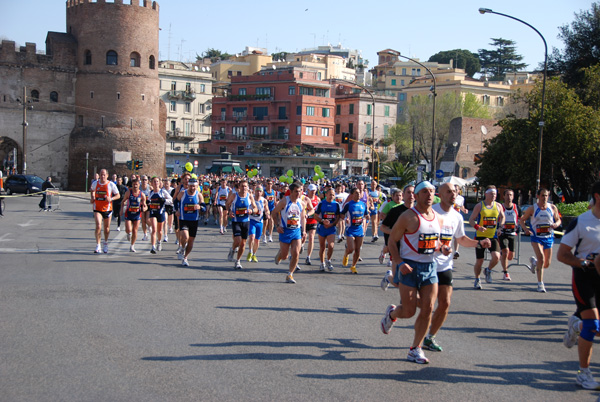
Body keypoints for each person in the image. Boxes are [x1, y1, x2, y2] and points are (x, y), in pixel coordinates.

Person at [380, 181, 448, 365]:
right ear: (416, 196)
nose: (429, 195)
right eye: (425, 191)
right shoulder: (407, 217)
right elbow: (393, 241)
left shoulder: (438, 218)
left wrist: (443, 248)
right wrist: (399, 262)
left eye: (432, 191)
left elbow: (435, 242)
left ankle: (415, 348)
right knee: (409, 311)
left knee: (427, 308)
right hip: (409, 266)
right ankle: (393, 314)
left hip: (429, 267)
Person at [424, 183, 491, 352]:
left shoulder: (457, 216)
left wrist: (479, 243)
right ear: (440, 194)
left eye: (454, 191)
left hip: (445, 265)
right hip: (427, 263)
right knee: (426, 305)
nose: (453, 194)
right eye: (448, 191)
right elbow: (424, 236)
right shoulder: (431, 212)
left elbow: (461, 239)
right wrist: (439, 247)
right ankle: (399, 312)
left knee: (445, 303)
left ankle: (430, 337)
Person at [557, 181, 600, 390]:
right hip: (585, 277)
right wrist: (583, 263)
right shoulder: (581, 222)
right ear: (598, 197)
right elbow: (562, 254)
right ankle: (583, 373)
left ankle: (576, 324)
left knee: (596, 328)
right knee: (593, 326)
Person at [519, 188, 562, 293]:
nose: (544, 198)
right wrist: (525, 229)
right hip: (536, 237)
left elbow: (558, 219)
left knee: (546, 264)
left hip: (548, 237)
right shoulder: (532, 209)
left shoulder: (552, 207)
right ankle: (540, 284)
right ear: (537, 196)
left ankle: (535, 263)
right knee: (541, 258)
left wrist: (556, 224)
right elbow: (521, 220)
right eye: (542, 195)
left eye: (546, 195)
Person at [469, 185, 505, 289]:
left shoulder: (498, 206)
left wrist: (500, 227)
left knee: (497, 256)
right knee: (480, 261)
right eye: (491, 193)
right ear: (486, 194)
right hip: (480, 237)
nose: (494, 195)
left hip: (492, 236)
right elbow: (471, 219)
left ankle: (488, 270)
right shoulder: (479, 206)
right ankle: (477, 279)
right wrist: (477, 227)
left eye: (495, 194)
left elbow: (503, 217)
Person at [271, 182, 306, 283]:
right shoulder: (284, 202)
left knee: (296, 253)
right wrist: (277, 226)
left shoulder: (301, 203)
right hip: (285, 231)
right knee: (285, 256)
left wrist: (303, 230)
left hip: (296, 231)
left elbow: (303, 218)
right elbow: (274, 213)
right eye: (296, 191)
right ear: (290, 192)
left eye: (300, 191)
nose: (298, 194)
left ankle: (290, 274)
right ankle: (281, 254)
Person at [225, 180, 258, 270]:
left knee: (243, 244)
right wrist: (229, 212)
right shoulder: (234, 196)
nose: (244, 188)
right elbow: (227, 204)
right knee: (238, 241)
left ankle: (238, 261)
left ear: (248, 187)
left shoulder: (250, 196)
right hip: (236, 221)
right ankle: (232, 250)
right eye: (242, 186)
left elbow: (255, 208)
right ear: (239, 187)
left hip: (246, 221)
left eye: (245, 186)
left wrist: (252, 211)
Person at [90, 169, 120, 253]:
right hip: (97, 208)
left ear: (107, 175)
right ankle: (98, 245)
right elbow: (92, 190)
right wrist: (92, 197)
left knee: (106, 228)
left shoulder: (110, 184)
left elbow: (118, 195)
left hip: (107, 209)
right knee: (98, 226)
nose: (102, 176)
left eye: (104, 175)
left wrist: (111, 198)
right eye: (101, 175)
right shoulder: (95, 183)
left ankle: (105, 243)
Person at [176, 177, 205, 267]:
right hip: (184, 219)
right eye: (191, 186)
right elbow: (176, 201)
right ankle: (182, 247)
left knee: (191, 241)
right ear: (188, 185)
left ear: (197, 187)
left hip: (194, 220)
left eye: (194, 187)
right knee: (185, 236)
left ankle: (185, 258)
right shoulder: (183, 193)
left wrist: (200, 207)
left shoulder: (199, 195)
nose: (192, 188)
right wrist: (176, 210)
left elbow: (204, 207)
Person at [341, 187, 369, 274]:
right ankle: (346, 254)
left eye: (359, 193)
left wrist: (367, 217)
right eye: (356, 193)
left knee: (357, 250)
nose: (358, 194)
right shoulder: (348, 205)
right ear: (352, 194)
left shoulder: (363, 204)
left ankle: (353, 266)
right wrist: (346, 219)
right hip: (350, 229)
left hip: (359, 229)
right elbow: (342, 215)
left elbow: (366, 215)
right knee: (351, 249)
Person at [314, 186, 341, 271]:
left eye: (333, 195)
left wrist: (333, 224)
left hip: (331, 228)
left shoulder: (336, 204)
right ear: (326, 195)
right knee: (322, 247)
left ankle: (328, 260)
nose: (331, 196)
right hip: (322, 227)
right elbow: (315, 216)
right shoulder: (321, 203)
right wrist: (322, 221)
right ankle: (322, 263)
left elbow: (338, 217)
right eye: (330, 195)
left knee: (331, 246)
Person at [499, 189, 520, 281]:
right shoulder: (500, 207)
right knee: (505, 252)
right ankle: (505, 273)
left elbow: (520, 219)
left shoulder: (516, 207)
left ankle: (502, 255)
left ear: (513, 196)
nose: (509, 197)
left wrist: (520, 227)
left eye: (511, 195)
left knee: (510, 256)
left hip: (512, 233)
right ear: (504, 196)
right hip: (502, 233)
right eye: (507, 195)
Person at [147, 176, 172, 254]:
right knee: (154, 229)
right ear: (151, 183)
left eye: (157, 181)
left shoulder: (163, 192)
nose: (155, 183)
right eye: (154, 182)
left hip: (160, 212)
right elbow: (148, 201)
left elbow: (171, 200)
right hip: (153, 212)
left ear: (159, 183)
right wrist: (148, 203)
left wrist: (164, 200)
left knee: (160, 231)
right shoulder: (150, 193)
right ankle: (153, 247)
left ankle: (159, 242)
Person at [120, 178, 147, 252]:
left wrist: (144, 208)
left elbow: (145, 205)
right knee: (128, 229)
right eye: (134, 184)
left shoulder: (142, 194)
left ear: (139, 185)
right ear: (132, 185)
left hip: (137, 214)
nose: (135, 186)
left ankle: (132, 246)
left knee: (135, 230)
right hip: (129, 213)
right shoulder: (128, 192)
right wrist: (121, 210)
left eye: (137, 184)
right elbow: (123, 201)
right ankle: (128, 233)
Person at [247, 185, 269, 263]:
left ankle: (254, 254)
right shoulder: (251, 199)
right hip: (252, 220)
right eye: (257, 191)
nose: (258, 192)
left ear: (262, 192)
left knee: (257, 240)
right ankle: (250, 252)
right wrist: (249, 210)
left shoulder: (264, 201)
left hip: (260, 222)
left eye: (260, 191)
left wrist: (267, 214)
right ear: (255, 191)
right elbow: (247, 206)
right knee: (252, 237)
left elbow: (267, 210)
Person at [302, 184, 320, 266]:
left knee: (311, 238)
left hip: (313, 221)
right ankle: (301, 246)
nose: (313, 192)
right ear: (308, 190)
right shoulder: (304, 198)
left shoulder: (318, 199)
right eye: (311, 190)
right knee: (303, 238)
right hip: (304, 221)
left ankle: (308, 257)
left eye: (314, 190)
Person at [452, 185, 468, 259]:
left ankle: (456, 251)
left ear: (459, 190)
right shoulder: (450, 196)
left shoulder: (461, 198)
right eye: (454, 189)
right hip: (450, 218)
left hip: (457, 218)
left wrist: (464, 210)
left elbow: (462, 206)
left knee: (456, 235)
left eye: (456, 189)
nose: (455, 191)